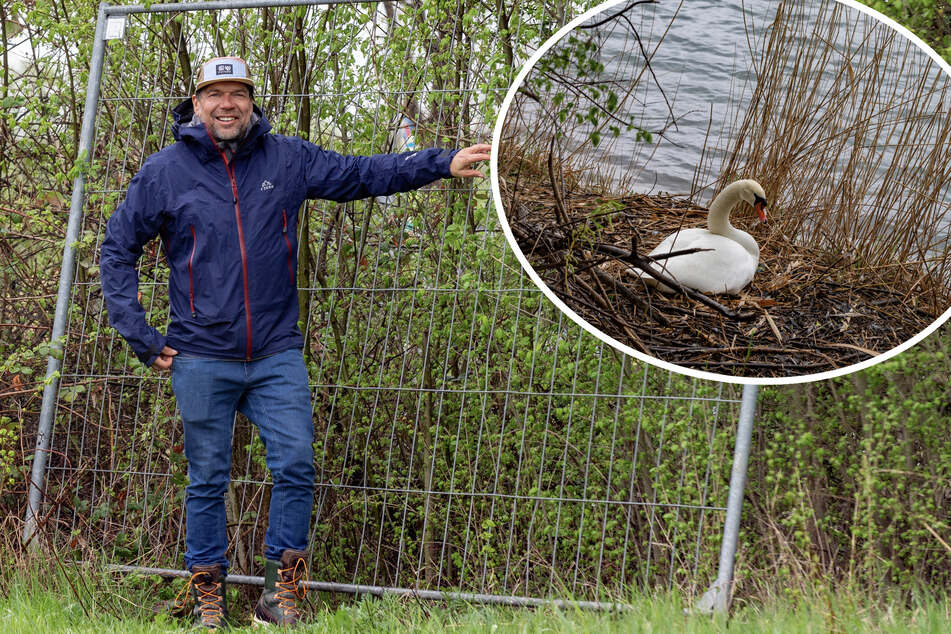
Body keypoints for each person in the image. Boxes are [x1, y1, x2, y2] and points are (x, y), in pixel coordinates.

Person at [99, 56, 491, 629]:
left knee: (297, 465)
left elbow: (363, 173)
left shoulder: (287, 159)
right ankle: (208, 593)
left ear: (253, 102)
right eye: (215, 94)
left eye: (238, 93)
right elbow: (117, 251)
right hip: (200, 354)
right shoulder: (164, 171)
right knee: (207, 478)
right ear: (197, 103)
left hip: (276, 353)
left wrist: (440, 163)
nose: (227, 104)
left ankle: (279, 594)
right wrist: (138, 333)